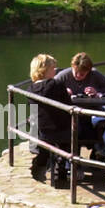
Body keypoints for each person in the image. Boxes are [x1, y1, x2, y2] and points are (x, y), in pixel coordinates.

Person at [27, 54, 71, 186]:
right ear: (44, 69)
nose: (55, 70)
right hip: (62, 130)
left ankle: (48, 162)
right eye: (53, 68)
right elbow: (68, 105)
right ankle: (66, 164)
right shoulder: (57, 84)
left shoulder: (30, 89)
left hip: (43, 131)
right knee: (79, 126)